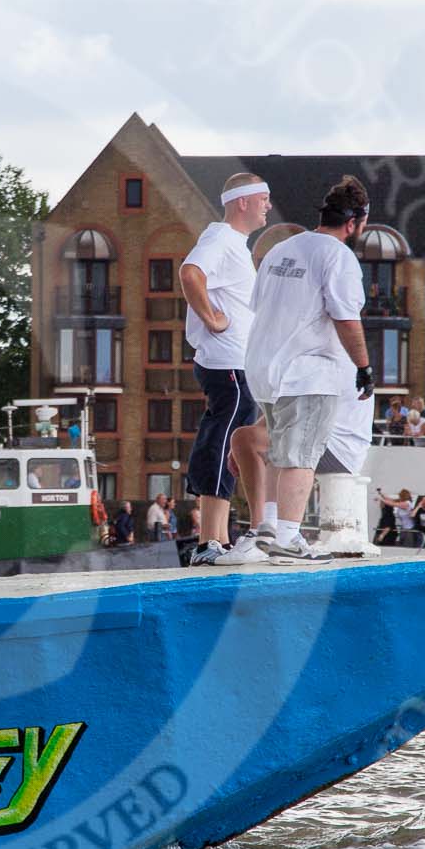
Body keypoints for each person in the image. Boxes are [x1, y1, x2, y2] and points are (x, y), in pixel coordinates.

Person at [238, 175, 373, 560]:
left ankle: (268, 526)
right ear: (354, 223)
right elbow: (346, 317)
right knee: (301, 453)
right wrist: (363, 368)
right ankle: (289, 538)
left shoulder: (282, 250)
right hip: (306, 370)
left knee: (280, 449)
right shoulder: (338, 256)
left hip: (264, 367)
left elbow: (260, 304)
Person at [181, 172, 272, 567]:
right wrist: (212, 318)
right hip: (229, 364)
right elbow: (190, 273)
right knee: (223, 441)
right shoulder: (219, 238)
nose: (269, 205)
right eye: (264, 198)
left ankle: (216, 538)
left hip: (236, 364)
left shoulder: (233, 243)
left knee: (224, 441)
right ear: (243, 202)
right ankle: (208, 543)